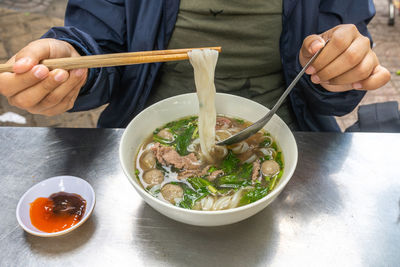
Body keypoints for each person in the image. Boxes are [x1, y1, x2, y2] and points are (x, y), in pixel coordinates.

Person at [0, 0, 390, 130]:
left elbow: (338, 78)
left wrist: (334, 70)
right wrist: (74, 65)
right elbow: (96, 44)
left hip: (290, 127)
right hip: (145, 125)